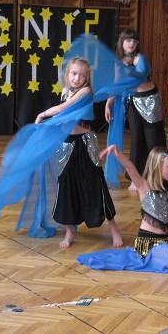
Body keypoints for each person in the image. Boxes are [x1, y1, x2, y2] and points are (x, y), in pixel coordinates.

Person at [77, 142, 168, 273]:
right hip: (150, 243)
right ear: (157, 167)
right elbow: (129, 166)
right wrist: (115, 150)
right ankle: (156, 257)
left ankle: (165, 255)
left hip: (167, 240)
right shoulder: (143, 186)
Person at [34, 58, 123, 248]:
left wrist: (42, 115)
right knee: (66, 186)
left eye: (83, 75)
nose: (78, 78)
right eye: (74, 74)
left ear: (87, 77)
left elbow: (61, 109)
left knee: (95, 183)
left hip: (85, 143)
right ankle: (69, 232)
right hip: (66, 144)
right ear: (68, 73)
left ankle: (113, 228)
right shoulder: (65, 91)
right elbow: (61, 117)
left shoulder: (86, 91)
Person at [105, 28, 166, 192]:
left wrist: (128, 68)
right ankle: (136, 176)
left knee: (153, 140)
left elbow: (140, 74)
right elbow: (118, 84)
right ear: (122, 42)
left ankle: (158, 176)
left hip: (150, 100)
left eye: (134, 41)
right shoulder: (119, 61)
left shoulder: (140, 58)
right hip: (133, 101)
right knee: (136, 140)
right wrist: (108, 104)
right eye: (128, 40)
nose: (131, 43)